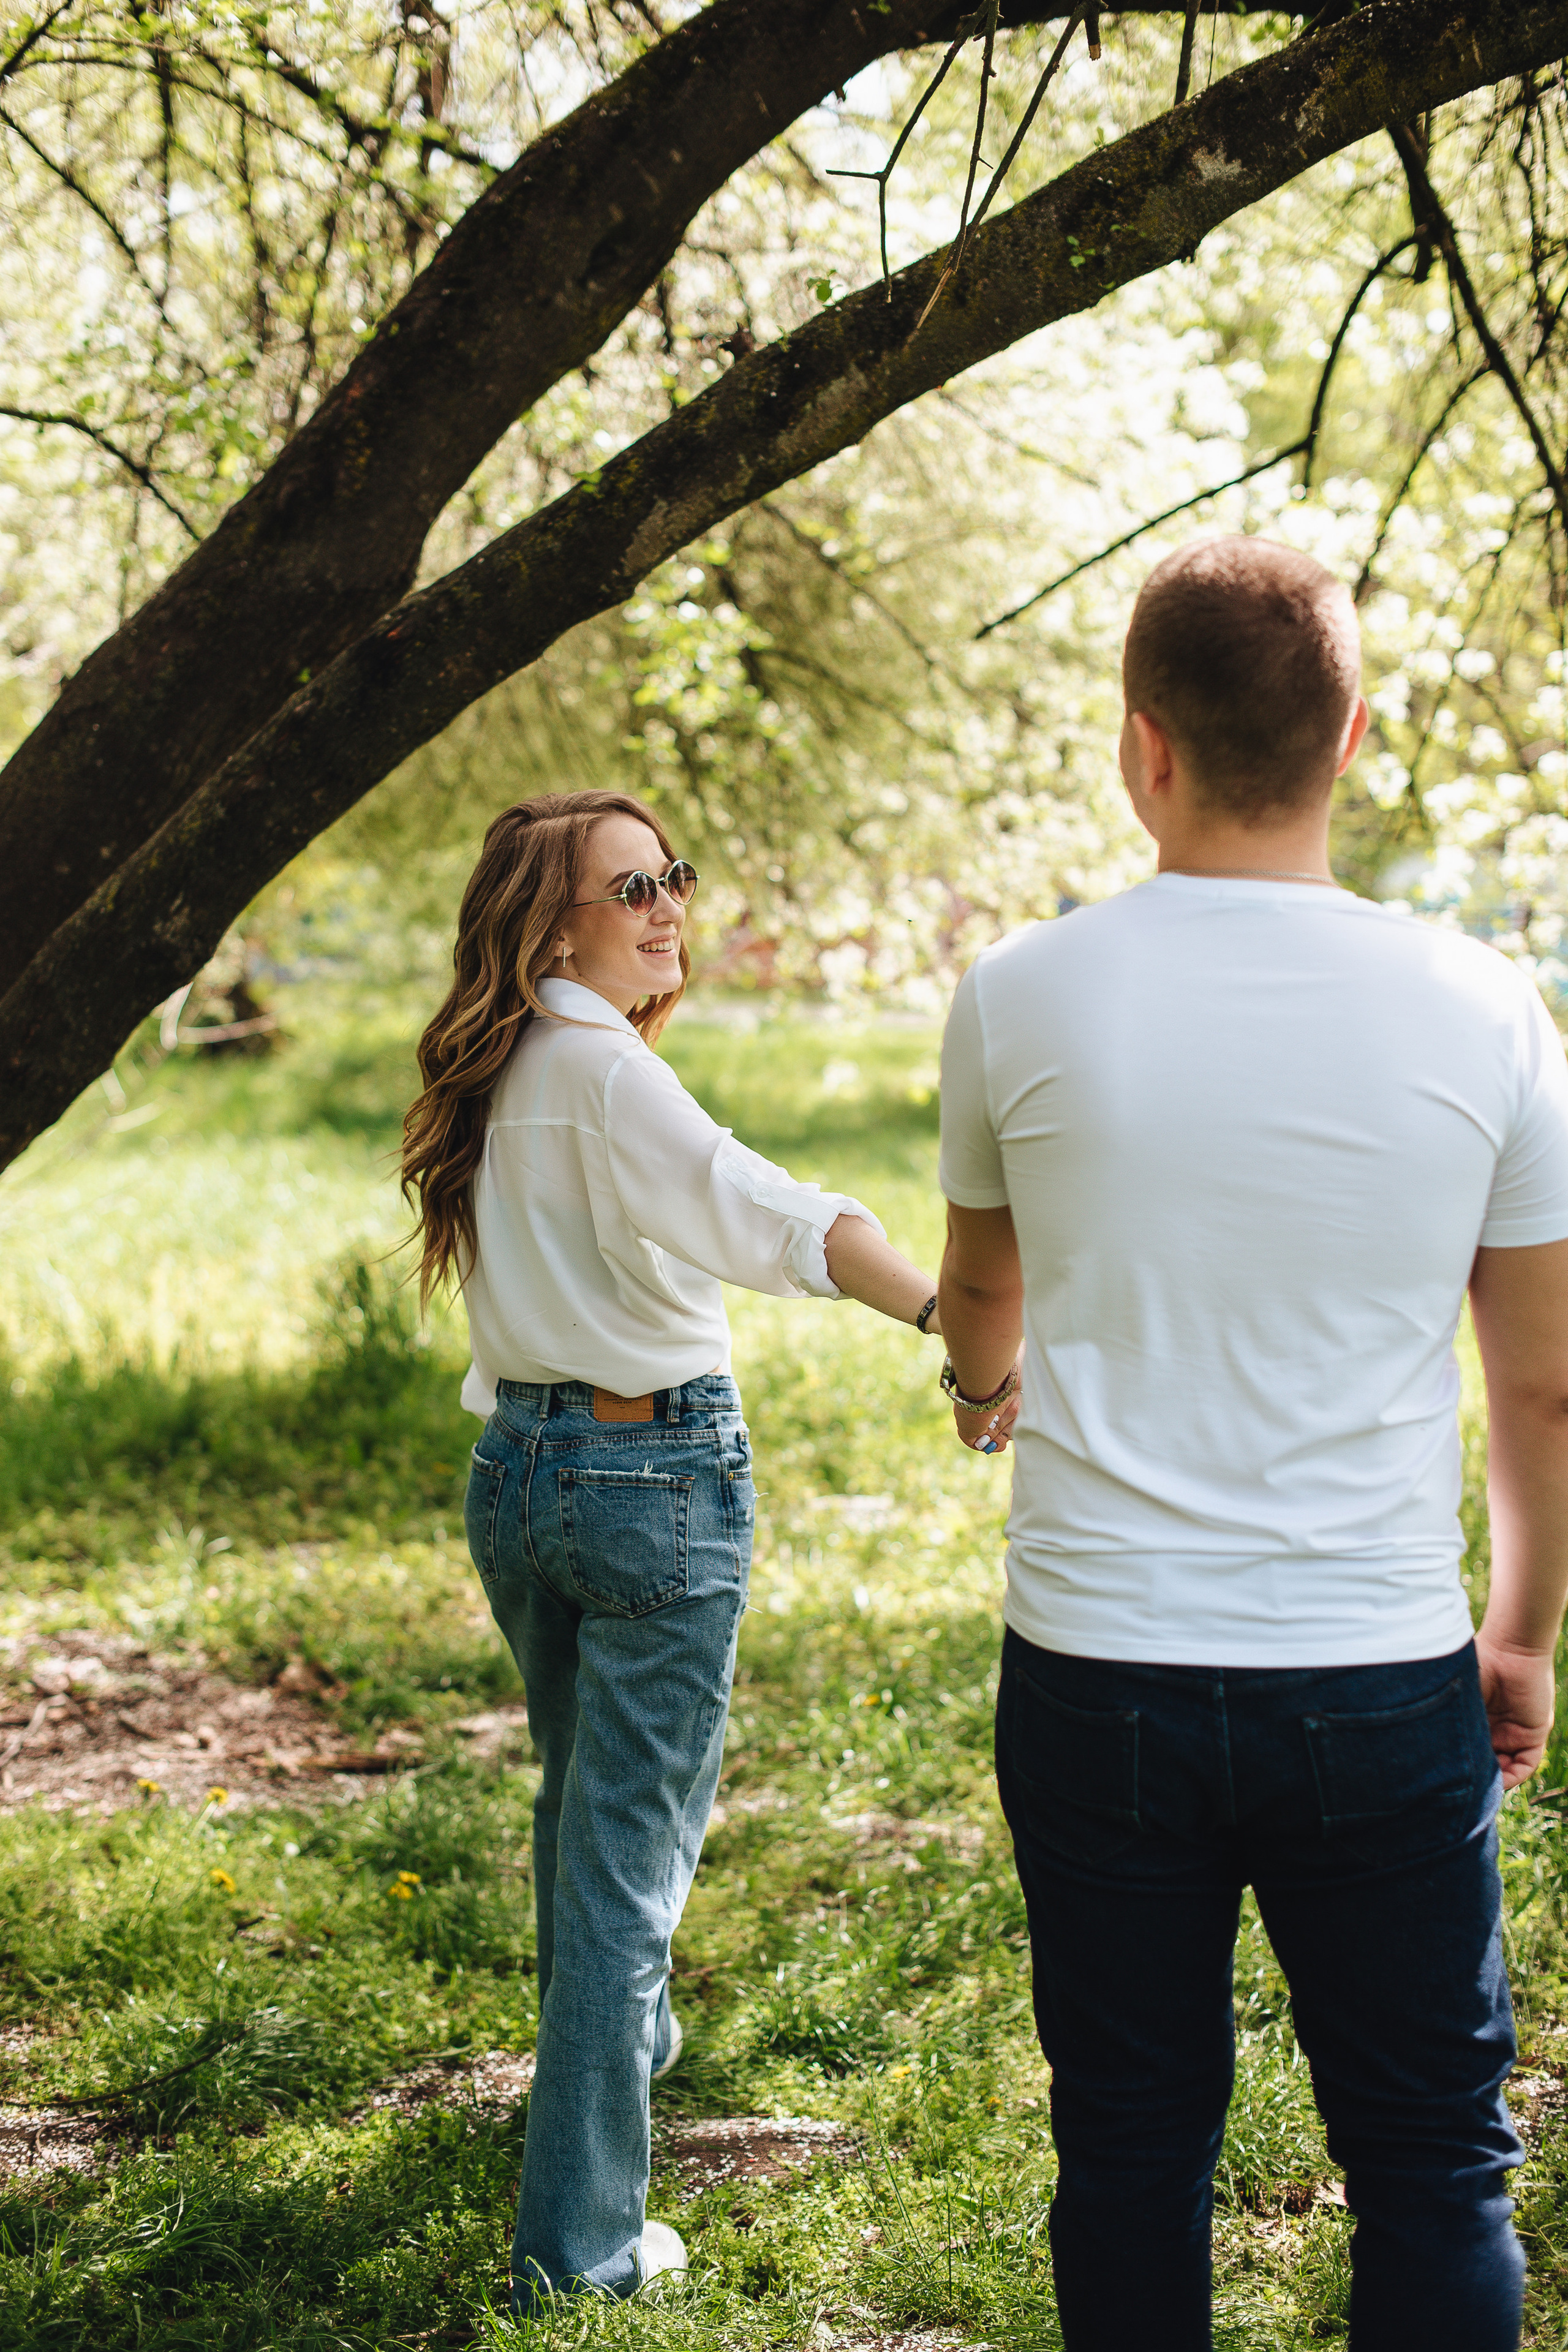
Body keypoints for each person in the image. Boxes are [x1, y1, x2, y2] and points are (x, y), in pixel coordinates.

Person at [933, 535, 1568, 2351]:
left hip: (1100, 1667)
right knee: (1437, 2161)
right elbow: (1542, 1384)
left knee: (1131, 2145)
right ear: (1351, 736)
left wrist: (986, 1386)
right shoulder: (1488, 1007)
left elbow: (988, 1294)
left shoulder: (1019, 992)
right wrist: (1516, 1636)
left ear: (1143, 746)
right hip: (1376, 1670)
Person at [401, 789, 948, 2306]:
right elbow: (766, 1212)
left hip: (520, 1472)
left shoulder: (506, 1063)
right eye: (627, 886)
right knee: (628, 1866)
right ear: (553, 922)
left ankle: (597, 2083)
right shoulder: (597, 1070)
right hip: (646, 1480)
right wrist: (941, 1313)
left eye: (670, 877)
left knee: (585, 1813)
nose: (665, 907)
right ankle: (578, 2251)